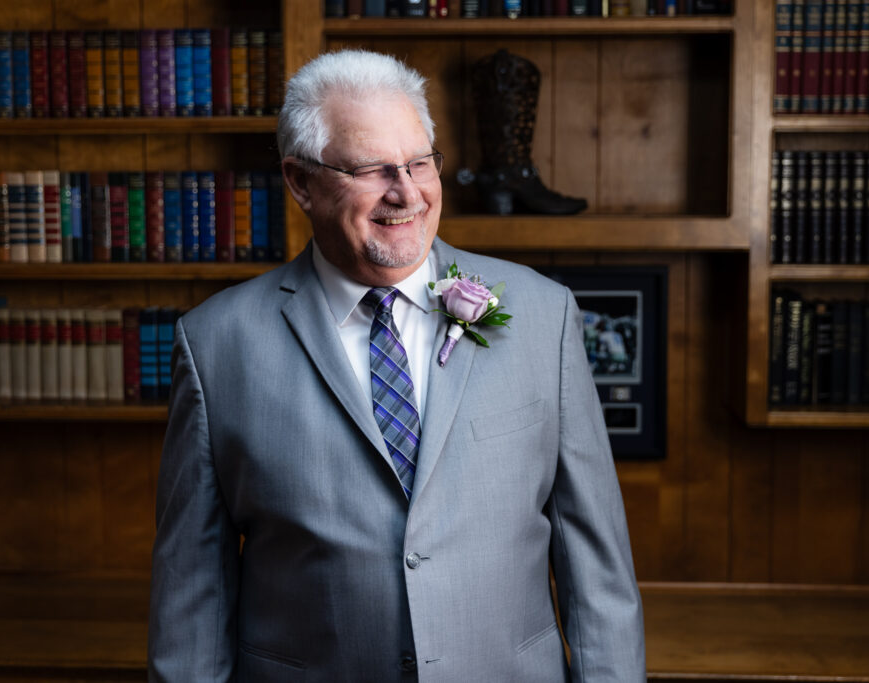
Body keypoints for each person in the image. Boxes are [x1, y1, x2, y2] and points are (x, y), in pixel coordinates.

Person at [148, 49, 645, 682]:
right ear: (300, 182)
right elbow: (192, 589)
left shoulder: (545, 317)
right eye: (371, 169)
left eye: (418, 163)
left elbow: (597, 567)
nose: (406, 193)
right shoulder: (214, 344)